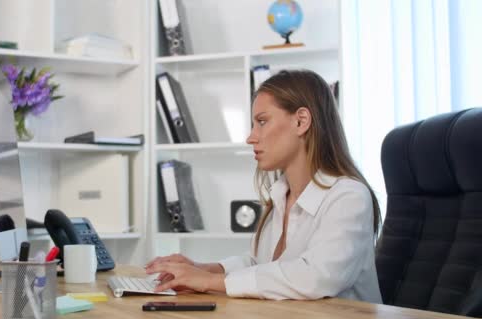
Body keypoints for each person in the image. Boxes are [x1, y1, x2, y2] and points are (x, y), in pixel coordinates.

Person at [145, 69, 382, 303]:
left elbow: (316, 276)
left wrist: (209, 282)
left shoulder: (348, 197)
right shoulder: (281, 194)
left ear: (301, 121)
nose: (251, 137)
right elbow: (262, 265)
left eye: (262, 122)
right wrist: (205, 269)